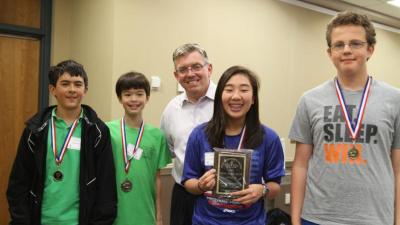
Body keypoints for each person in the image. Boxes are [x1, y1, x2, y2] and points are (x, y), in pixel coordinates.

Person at [289, 11, 400, 225]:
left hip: (375, 218)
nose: (346, 50)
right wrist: (295, 221)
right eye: (339, 45)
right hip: (318, 218)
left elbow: (398, 168)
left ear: (370, 49)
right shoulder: (309, 100)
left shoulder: (395, 99)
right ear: (330, 52)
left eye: (355, 43)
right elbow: (300, 165)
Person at [7, 60, 117, 225]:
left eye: (78, 84)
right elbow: (19, 182)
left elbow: (106, 185)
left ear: (85, 90)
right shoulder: (35, 130)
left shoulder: (98, 131)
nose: (72, 90)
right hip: (41, 220)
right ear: (53, 89)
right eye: (65, 84)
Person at [182, 65, 285, 225]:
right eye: (229, 90)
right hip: (206, 221)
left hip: (250, 222)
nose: (236, 96)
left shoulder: (269, 138)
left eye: (244, 90)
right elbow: (188, 181)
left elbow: (275, 185)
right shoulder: (199, 135)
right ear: (220, 96)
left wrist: (262, 190)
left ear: (253, 99)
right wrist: (201, 186)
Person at [160, 43, 216, 225]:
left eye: (196, 67)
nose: (190, 74)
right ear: (176, 76)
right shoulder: (171, 110)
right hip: (184, 196)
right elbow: (171, 149)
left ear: (209, 69)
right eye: (183, 69)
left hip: (221, 196)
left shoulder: (228, 102)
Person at [107, 72, 172, 225]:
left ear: (147, 97)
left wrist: (159, 215)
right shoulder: (107, 131)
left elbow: (157, 179)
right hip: (114, 212)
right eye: (127, 94)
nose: (134, 99)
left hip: (145, 213)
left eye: (139, 94)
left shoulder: (157, 136)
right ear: (119, 98)